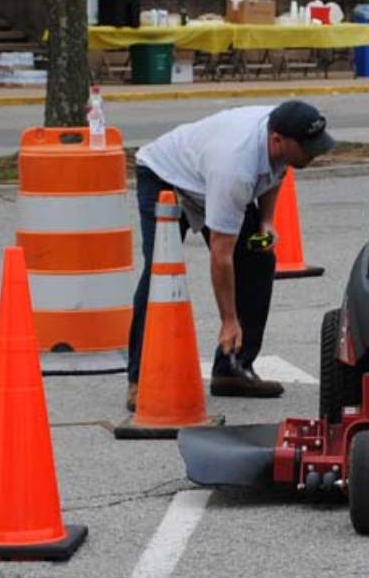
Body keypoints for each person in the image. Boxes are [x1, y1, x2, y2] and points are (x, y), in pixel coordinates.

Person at [127, 100, 336, 410]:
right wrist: (228, 320)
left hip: (207, 173)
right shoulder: (235, 168)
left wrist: (265, 221)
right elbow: (221, 256)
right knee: (160, 276)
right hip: (166, 175)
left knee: (258, 259)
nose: (314, 153)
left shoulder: (280, 132)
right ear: (277, 140)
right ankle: (140, 380)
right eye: (308, 147)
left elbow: (276, 173)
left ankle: (232, 369)